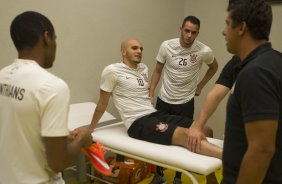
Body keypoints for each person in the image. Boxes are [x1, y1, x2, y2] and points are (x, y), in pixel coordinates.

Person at [88, 38, 222, 184]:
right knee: (186, 135)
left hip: (154, 114)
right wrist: (91, 128)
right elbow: (102, 103)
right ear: (123, 51)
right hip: (137, 123)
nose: (139, 51)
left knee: (205, 129)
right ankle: (230, 156)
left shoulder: (143, 68)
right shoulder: (112, 71)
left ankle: (211, 179)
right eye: (134, 48)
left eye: (141, 48)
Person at [0, 11, 93, 184]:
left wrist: (61, 137)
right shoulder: (52, 87)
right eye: (55, 38)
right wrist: (82, 139)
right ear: (46, 37)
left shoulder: (2, 76)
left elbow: (19, 129)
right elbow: (58, 163)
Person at [149, 15, 218, 184]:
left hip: (185, 102)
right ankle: (159, 175)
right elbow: (158, 70)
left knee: (186, 139)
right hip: (164, 99)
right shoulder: (166, 46)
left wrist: (201, 85)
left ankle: (178, 177)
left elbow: (214, 67)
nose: (189, 35)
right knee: (158, 137)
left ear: (197, 33)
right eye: (186, 31)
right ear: (180, 29)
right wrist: (150, 93)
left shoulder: (204, 51)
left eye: (193, 32)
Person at [222, 0, 282, 183]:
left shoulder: (256, 73)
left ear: (241, 28)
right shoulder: (273, 61)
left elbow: (261, 151)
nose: (224, 31)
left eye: (227, 24)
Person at [187, 56, 240, 153]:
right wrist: (197, 127)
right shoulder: (236, 62)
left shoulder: (272, 62)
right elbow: (215, 95)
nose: (225, 39)